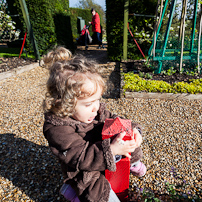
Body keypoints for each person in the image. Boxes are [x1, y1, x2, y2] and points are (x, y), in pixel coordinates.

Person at [43, 47, 146, 202]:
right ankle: (72, 190)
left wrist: (133, 130)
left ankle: (134, 163)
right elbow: (79, 157)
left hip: (103, 151)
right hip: (82, 167)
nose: (96, 107)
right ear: (64, 104)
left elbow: (115, 119)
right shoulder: (57, 129)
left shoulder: (94, 111)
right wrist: (111, 150)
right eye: (88, 104)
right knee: (97, 194)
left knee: (125, 137)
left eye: (98, 100)